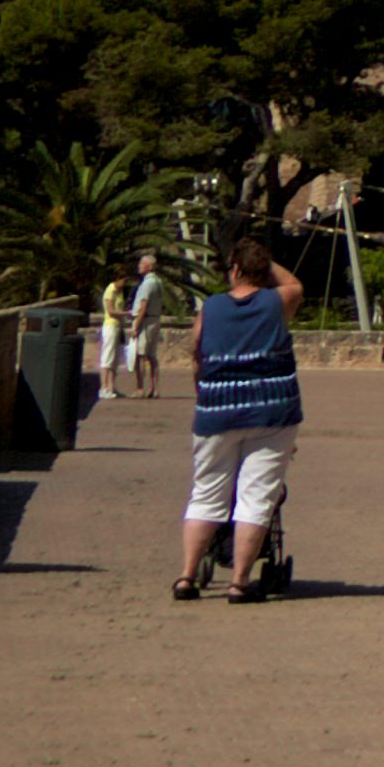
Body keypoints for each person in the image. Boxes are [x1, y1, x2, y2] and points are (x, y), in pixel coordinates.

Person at [179, 236, 305, 604]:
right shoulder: (277, 301)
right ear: (263, 272)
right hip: (271, 411)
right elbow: (294, 284)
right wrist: (265, 264)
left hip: (216, 410)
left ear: (233, 271)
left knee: (206, 494)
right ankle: (239, 582)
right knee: (256, 496)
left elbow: (197, 353)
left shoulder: (211, 308)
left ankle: (187, 577)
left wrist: (204, 395)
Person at [125, 249, 173, 398]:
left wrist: (136, 326)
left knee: (140, 355)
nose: (139, 266)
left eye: (142, 263)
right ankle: (154, 388)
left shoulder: (147, 284)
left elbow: (143, 306)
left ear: (149, 266)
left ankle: (140, 388)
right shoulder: (158, 282)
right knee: (152, 356)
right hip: (154, 319)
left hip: (145, 321)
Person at [92, 268, 128, 398]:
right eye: (123, 280)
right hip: (110, 326)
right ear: (117, 279)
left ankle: (112, 387)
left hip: (118, 326)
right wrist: (126, 313)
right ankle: (104, 387)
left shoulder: (120, 292)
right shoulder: (110, 290)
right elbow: (111, 311)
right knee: (107, 357)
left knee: (115, 359)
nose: (124, 283)